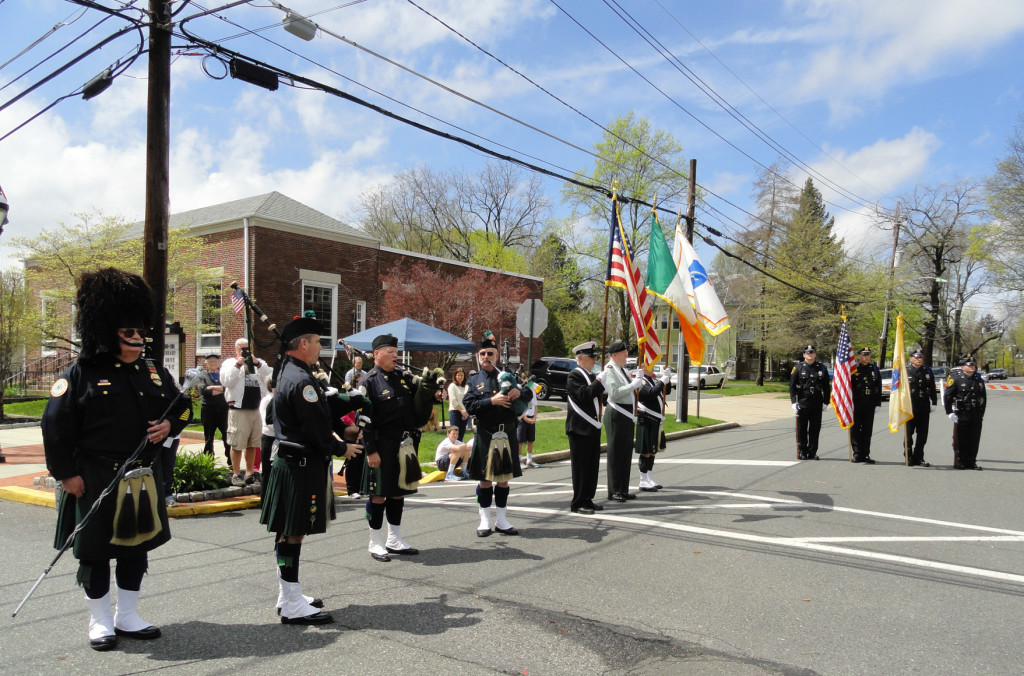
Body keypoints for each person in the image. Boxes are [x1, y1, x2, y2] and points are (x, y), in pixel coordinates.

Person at [42, 268, 192, 651]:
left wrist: (169, 425)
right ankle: (100, 620)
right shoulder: (79, 374)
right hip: (93, 475)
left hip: (142, 473)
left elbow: (185, 408)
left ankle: (127, 614)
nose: (139, 339)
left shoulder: (155, 372)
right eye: (129, 333)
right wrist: (66, 475)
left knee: (134, 546)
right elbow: (54, 427)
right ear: (108, 331)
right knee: (94, 551)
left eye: (142, 332)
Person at [259, 315, 361, 625]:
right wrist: (343, 448)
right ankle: (291, 603)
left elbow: (321, 411)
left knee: (288, 533)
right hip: (299, 467)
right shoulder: (302, 380)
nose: (319, 347)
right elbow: (316, 429)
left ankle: (287, 594)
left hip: (292, 464)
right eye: (317, 342)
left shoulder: (290, 372)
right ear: (303, 344)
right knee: (293, 535)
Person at [360, 334, 423, 561]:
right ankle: (375, 542)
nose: (395, 355)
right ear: (377, 354)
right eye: (390, 351)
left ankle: (394, 539)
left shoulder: (402, 377)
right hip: (382, 444)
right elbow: (364, 422)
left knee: (398, 493)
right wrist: (371, 451)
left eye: (396, 352)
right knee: (378, 495)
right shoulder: (368, 381)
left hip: (403, 444)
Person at [464, 332, 533, 536]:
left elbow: (530, 391)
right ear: (479, 355)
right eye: (483, 353)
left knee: (503, 480)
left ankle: (502, 520)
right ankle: (484, 521)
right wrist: (490, 401)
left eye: (490, 353)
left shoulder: (508, 375)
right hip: (486, 434)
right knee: (484, 480)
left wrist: (520, 392)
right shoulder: (474, 380)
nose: (486, 357)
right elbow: (469, 405)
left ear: (496, 355)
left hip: (507, 431)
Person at [220, 338, 272, 486]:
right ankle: (236, 473)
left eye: (246, 349)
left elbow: (270, 376)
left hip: (256, 409)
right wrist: (238, 364)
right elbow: (225, 381)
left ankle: (250, 472)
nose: (244, 351)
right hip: (238, 408)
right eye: (241, 349)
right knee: (237, 443)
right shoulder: (229, 363)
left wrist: (257, 363)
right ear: (236, 350)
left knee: (253, 443)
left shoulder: (258, 363)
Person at [565, 341, 606, 514]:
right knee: (581, 468)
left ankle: (588, 498)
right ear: (580, 358)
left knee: (591, 467)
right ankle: (578, 502)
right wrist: (598, 382)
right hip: (580, 428)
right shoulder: (574, 375)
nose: (595, 359)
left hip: (592, 427)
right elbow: (583, 395)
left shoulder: (589, 375)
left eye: (595, 356)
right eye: (592, 356)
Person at [603, 341, 644, 502]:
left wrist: (636, 380)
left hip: (626, 413)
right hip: (616, 414)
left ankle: (623, 489)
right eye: (624, 352)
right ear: (614, 355)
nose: (627, 355)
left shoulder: (622, 370)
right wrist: (632, 385)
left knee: (626, 453)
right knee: (616, 453)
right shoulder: (610, 370)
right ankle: (614, 490)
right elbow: (613, 393)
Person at [943, 355, 987, 470]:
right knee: (962, 438)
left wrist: (981, 413)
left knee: (974, 439)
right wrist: (949, 412)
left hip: (976, 413)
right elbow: (948, 396)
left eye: (973, 365)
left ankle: (971, 462)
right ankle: (961, 461)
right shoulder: (956, 378)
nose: (972, 367)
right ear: (963, 367)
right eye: (970, 365)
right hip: (962, 413)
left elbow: (983, 398)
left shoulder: (978, 379)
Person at [790, 345, 831, 460]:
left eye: (812, 352)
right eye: (807, 353)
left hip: (817, 402)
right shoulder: (798, 368)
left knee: (815, 428)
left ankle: (812, 452)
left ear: (815, 354)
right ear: (804, 355)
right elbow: (792, 386)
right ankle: (803, 451)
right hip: (803, 401)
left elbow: (826, 386)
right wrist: (794, 402)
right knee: (802, 428)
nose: (810, 354)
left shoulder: (821, 368)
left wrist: (826, 402)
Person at [636, 364, 673, 491]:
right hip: (645, 419)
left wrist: (667, 378)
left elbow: (666, 391)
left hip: (655, 420)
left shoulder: (652, 380)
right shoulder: (639, 381)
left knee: (653, 450)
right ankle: (643, 480)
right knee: (645, 451)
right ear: (641, 366)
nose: (652, 367)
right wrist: (663, 380)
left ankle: (649, 478)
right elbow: (650, 394)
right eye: (648, 364)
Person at [904, 348, 937, 467]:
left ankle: (919, 456)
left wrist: (934, 402)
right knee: (908, 433)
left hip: (924, 405)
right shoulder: (905, 371)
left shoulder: (927, 371)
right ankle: (908, 455)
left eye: (920, 357)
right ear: (911, 359)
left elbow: (932, 387)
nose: (919, 359)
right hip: (910, 405)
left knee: (922, 434)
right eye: (916, 357)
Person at [849, 347, 882, 464]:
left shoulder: (874, 369)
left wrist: (878, 403)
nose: (866, 357)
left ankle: (866, 453)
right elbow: (848, 386)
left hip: (869, 403)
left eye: (868, 355)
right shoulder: (853, 369)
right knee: (856, 429)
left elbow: (878, 386)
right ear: (859, 356)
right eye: (864, 355)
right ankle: (857, 453)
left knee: (867, 430)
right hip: (856, 403)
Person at [196, 353, 229, 466]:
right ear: (206, 364)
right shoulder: (202, 375)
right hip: (208, 410)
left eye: (215, 361)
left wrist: (212, 387)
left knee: (227, 435)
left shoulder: (223, 374)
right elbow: (204, 392)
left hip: (224, 409)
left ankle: (230, 460)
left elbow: (229, 388)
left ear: (218, 362)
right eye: (210, 362)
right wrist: (221, 389)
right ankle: (209, 461)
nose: (213, 364)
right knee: (209, 437)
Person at [517, 386, 538, 468]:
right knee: (520, 440)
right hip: (523, 418)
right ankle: (519, 460)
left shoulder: (533, 391)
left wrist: (535, 416)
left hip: (531, 417)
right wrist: (525, 418)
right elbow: (519, 406)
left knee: (531, 439)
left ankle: (529, 460)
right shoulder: (521, 390)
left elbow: (535, 405)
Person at [447, 367, 470, 440]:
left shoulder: (466, 387)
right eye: (458, 375)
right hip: (455, 412)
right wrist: (461, 410)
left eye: (461, 375)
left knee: (461, 435)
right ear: (455, 376)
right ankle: (452, 450)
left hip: (465, 413)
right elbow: (453, 400)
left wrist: (466, 411)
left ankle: (460, 450)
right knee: (454, 435)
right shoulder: (452, 386)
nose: (460, 377)